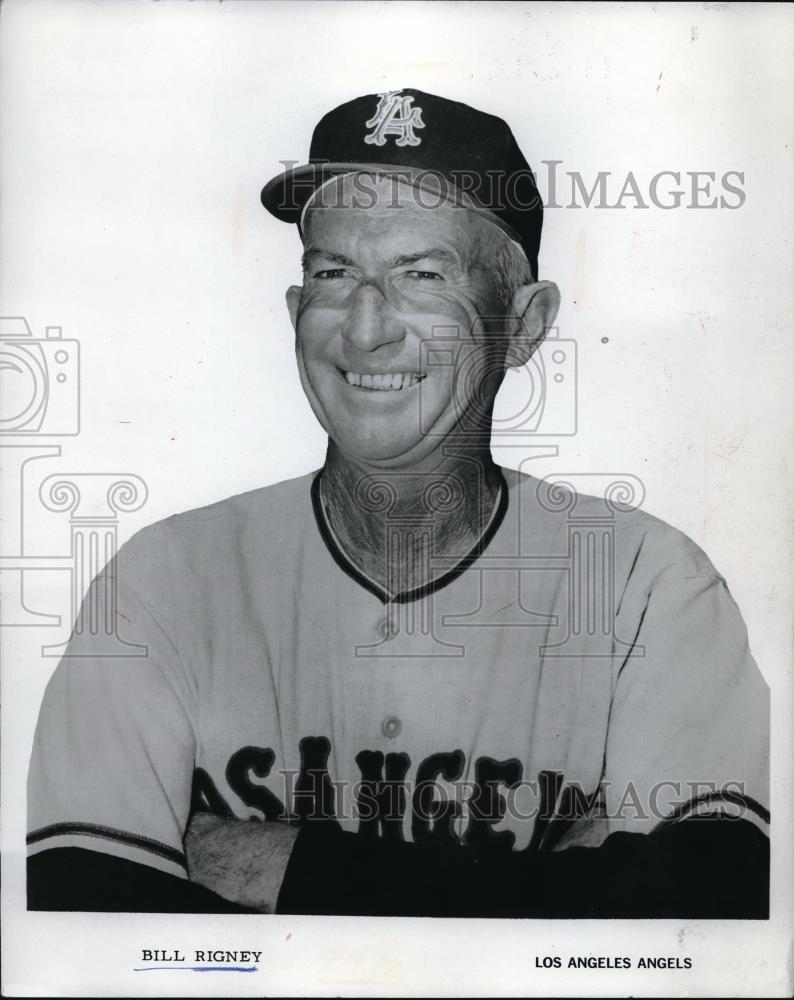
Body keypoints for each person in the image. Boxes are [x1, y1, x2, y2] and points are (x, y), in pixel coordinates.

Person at [27, 89, 769, 917]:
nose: (367, 327)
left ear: (524, 324)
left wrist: (279, 867)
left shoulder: (646, 584)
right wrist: (568, 886)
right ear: (295, 312)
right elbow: (80, 923)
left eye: (421, 275)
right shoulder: (159, 586)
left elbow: (714, 908)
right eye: (334, 274)